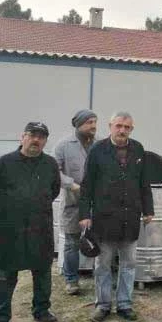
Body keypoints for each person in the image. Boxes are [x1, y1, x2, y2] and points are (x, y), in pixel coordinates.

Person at [0, 122, 61, 322]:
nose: (36, 140)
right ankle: (1, 317)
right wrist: (10, 211)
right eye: (32, 135)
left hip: (40, 227)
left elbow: (53, 190)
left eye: (41, 137)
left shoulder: (50, 164)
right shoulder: (4, 163)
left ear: (45, 141)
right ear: (22, 137)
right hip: (11, 229)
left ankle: (42, 310)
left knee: (42, 272)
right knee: (6, 275)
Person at [79, 112, 154, 322]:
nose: (122, 130)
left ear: (132, 129)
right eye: (118, 126)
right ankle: (102, 305)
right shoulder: (97, 151)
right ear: (110, 126)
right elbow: (87, 186)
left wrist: (148, 209)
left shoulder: (138, 149)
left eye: (127, 127)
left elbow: (143, 183)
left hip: (130, 218)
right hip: (104, 219)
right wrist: (85, 214)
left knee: (129, 264)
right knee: (103, 264)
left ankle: (124, 304)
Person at [53, 109, 98, 295]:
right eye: (89, 122)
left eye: (95, 122)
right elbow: (55, 171)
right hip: (73, 203)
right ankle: (71, 280)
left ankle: (100, 276)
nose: (93, 126)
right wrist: (72, 185)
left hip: (98, 203)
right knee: (71, 243)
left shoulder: (101, 144)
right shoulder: (63, 145)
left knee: (100, 241)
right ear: (78, 125)